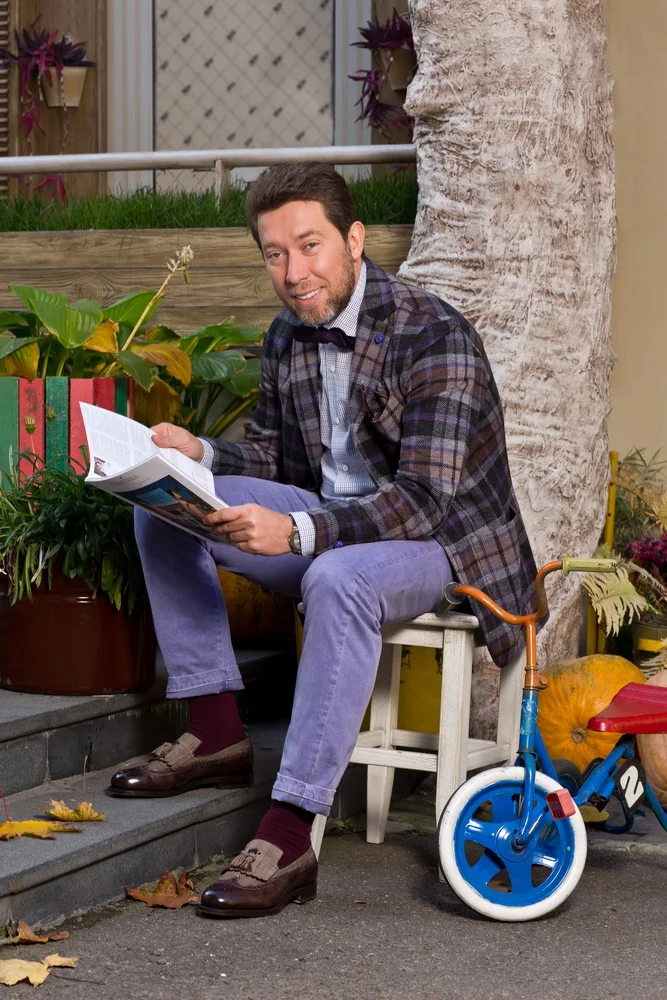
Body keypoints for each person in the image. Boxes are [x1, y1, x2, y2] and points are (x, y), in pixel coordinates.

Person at [109, 162, 538, 919]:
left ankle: (290, 832)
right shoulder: (288, 334)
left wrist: (299, 531)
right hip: (330, 519)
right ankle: (216, 733)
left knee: (337, 578)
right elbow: (273, 456)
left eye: (309, 246)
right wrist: (199, 455)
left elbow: (424, 500)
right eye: (275, 254)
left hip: (442, 546)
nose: (293, 272)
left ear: (354, 239)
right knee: (163, 508)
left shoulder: (433, 333)